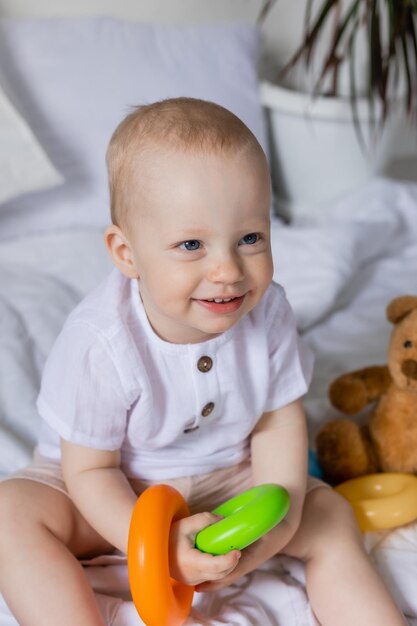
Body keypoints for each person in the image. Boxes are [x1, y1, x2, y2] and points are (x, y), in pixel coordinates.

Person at [0, 97, 406, 626]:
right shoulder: (101, 342)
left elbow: (277, 418)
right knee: (11, 516)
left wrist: (280, 516)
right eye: (191, 244)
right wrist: (154, 542)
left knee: (329, 514)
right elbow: (90, 469)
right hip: (118, 487)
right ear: (126, 253)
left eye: (250, 238)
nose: (228, 270)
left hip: (229, 475)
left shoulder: (270, 311)